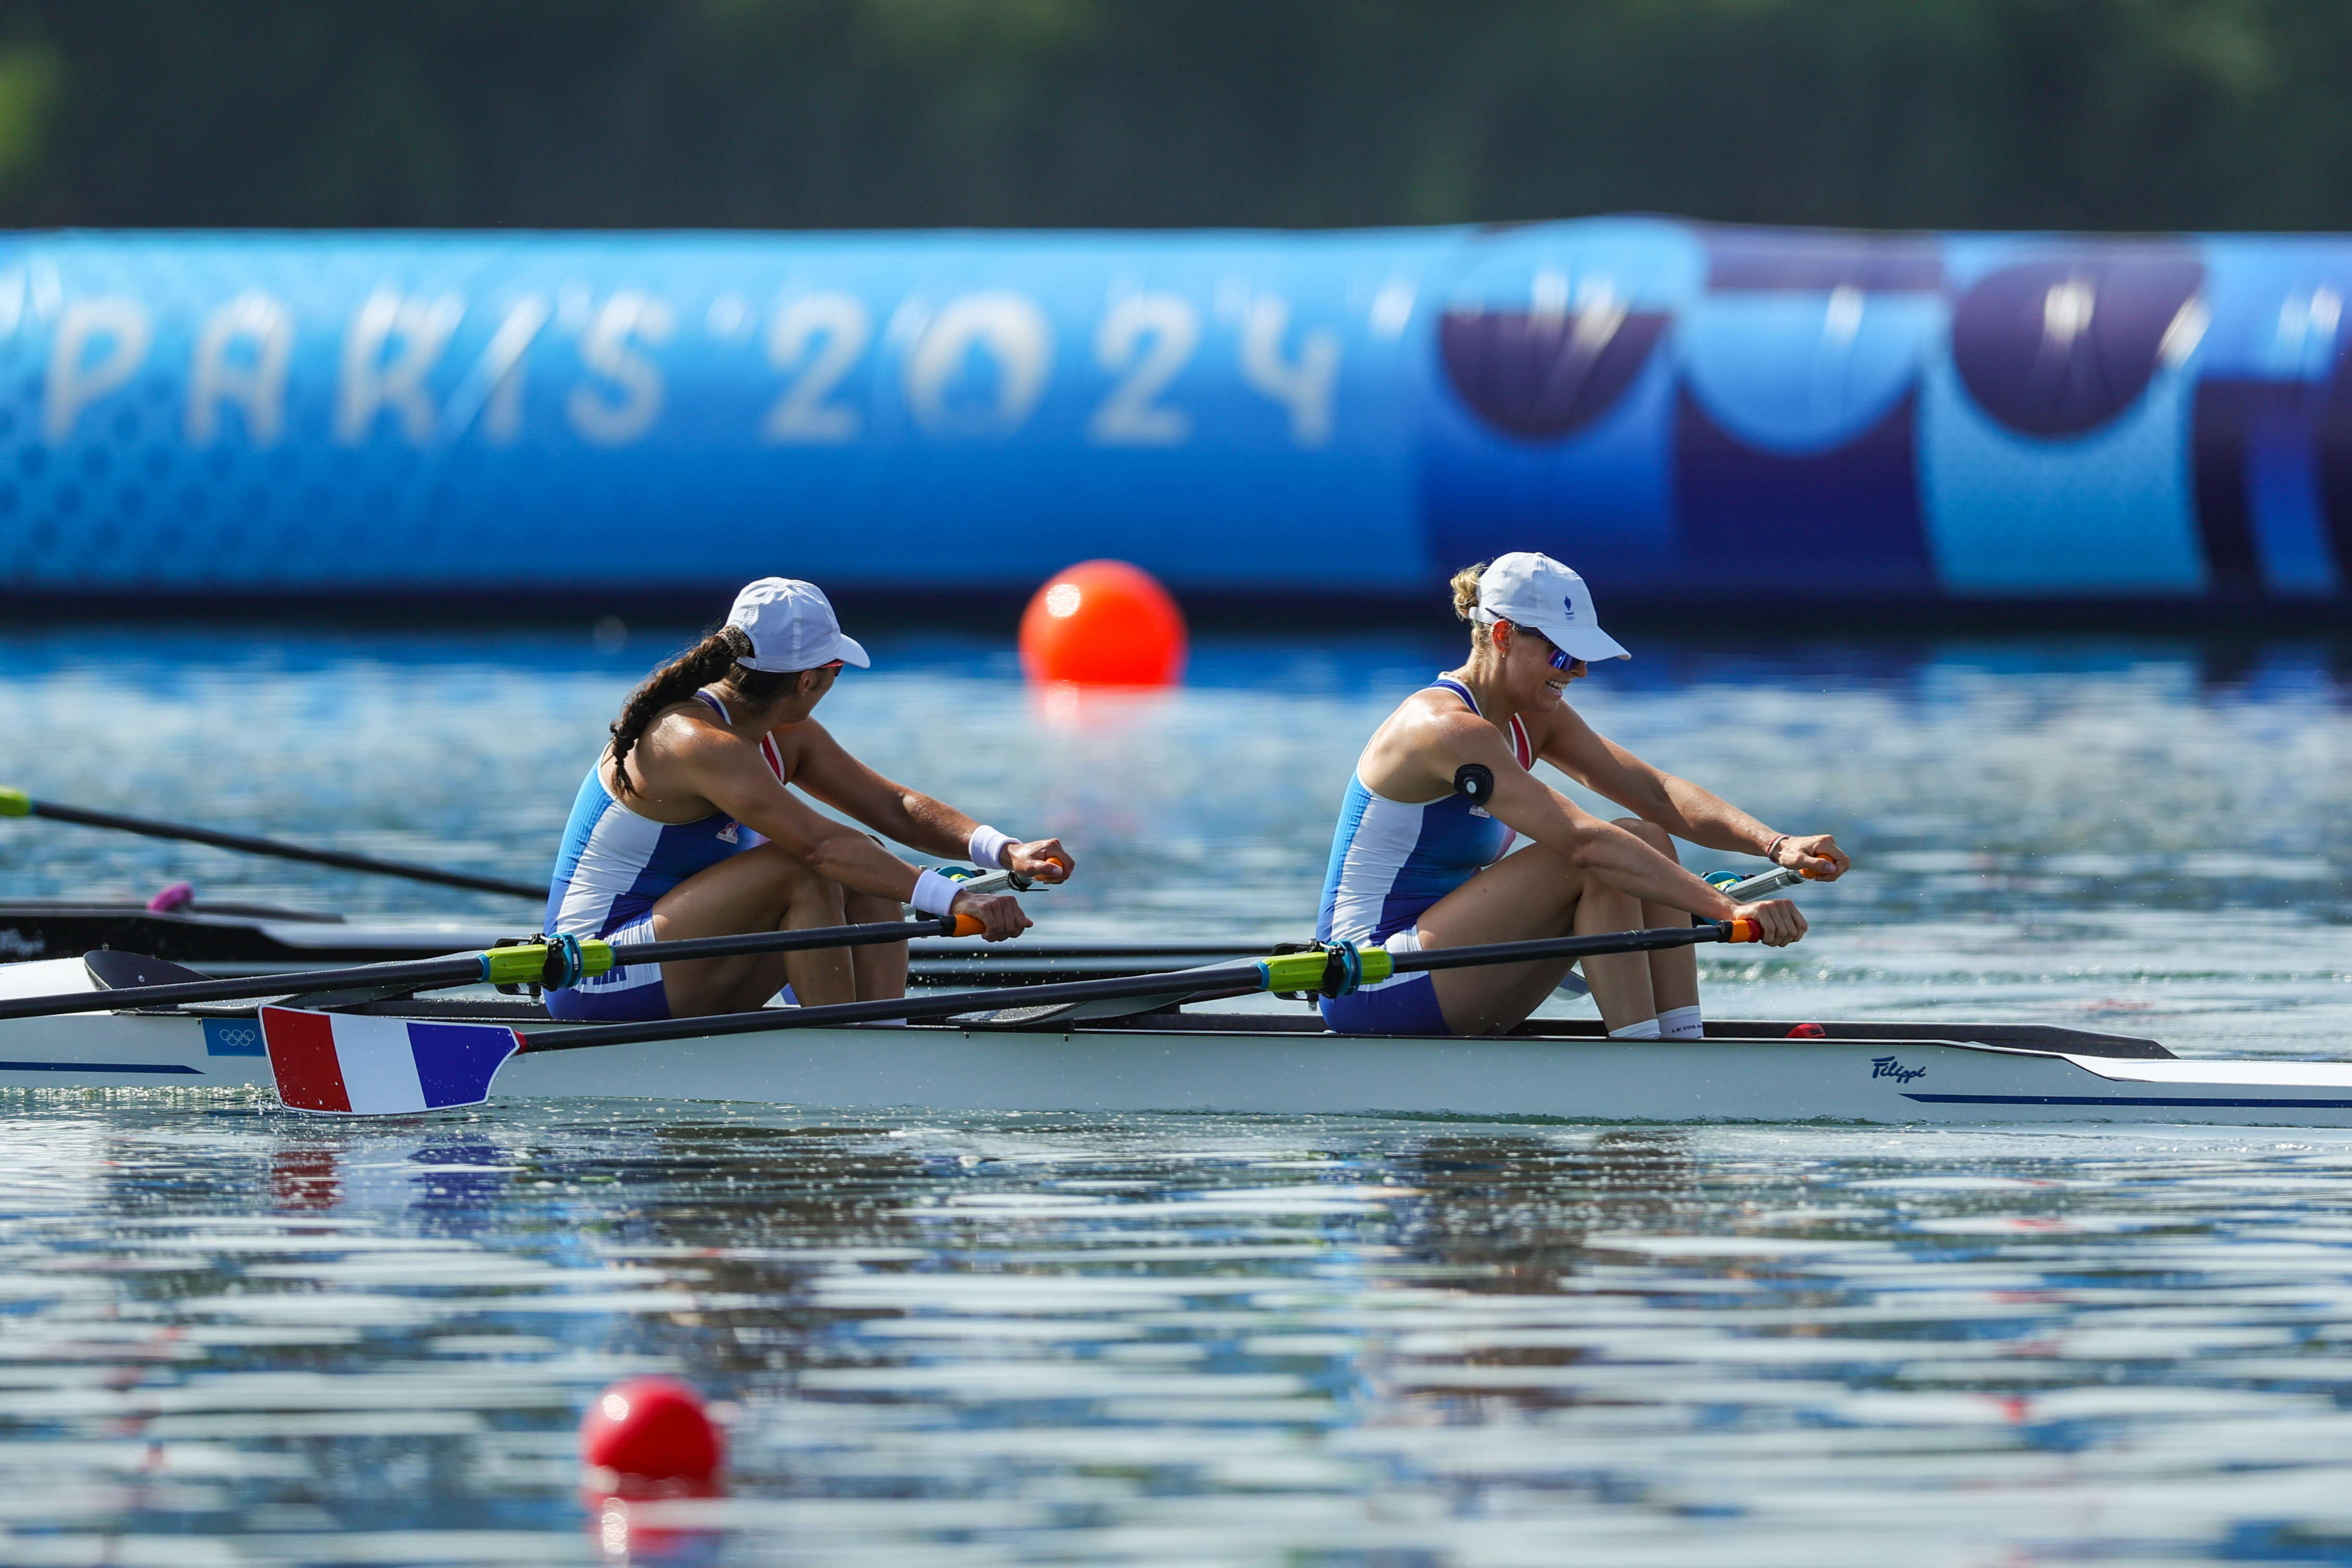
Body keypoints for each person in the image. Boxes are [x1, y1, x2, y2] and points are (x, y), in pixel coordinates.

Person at [1316, 552, 1846, 1039]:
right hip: (1372, 981)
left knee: (1646, 835)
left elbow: (1656, 793)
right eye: (1565, 655)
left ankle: (1680, 1042)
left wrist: (1776, 844)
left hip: (1446, 968)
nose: (1582, 671)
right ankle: (1646, 1067)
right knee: (1600, 857)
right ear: (1502, 635)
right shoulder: (1442, 728)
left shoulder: (1532, 717)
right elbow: (1582, 844)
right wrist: (1729, 909)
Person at [545, 577, 1073, 1022]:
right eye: (836, 670)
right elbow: (820, 847)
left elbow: (895, 807)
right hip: (595, 972)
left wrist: (1005, 852)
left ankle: (883, 1033)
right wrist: (955, 899)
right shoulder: (691, 739)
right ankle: (845, 1053)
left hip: (682, 956)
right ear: (808, 679)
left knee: (864, 855)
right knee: (809, 868)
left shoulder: (782, 732)